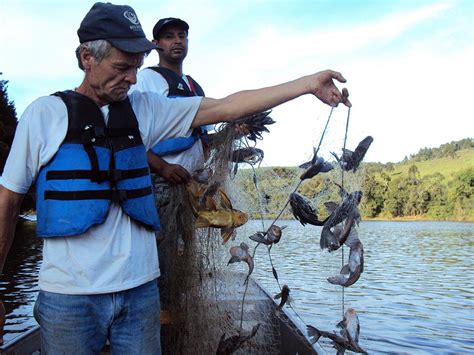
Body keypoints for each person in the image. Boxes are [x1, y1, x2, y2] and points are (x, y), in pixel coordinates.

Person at [0, 2, 350, 353]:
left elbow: (226, 106)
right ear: (86, 57)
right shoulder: (43, 115)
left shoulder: (144, 109)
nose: (134, 79)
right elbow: (8, 201)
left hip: (140, 294)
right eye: (123, 67)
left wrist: (306, 84)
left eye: (136, 68)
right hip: (68, 297)